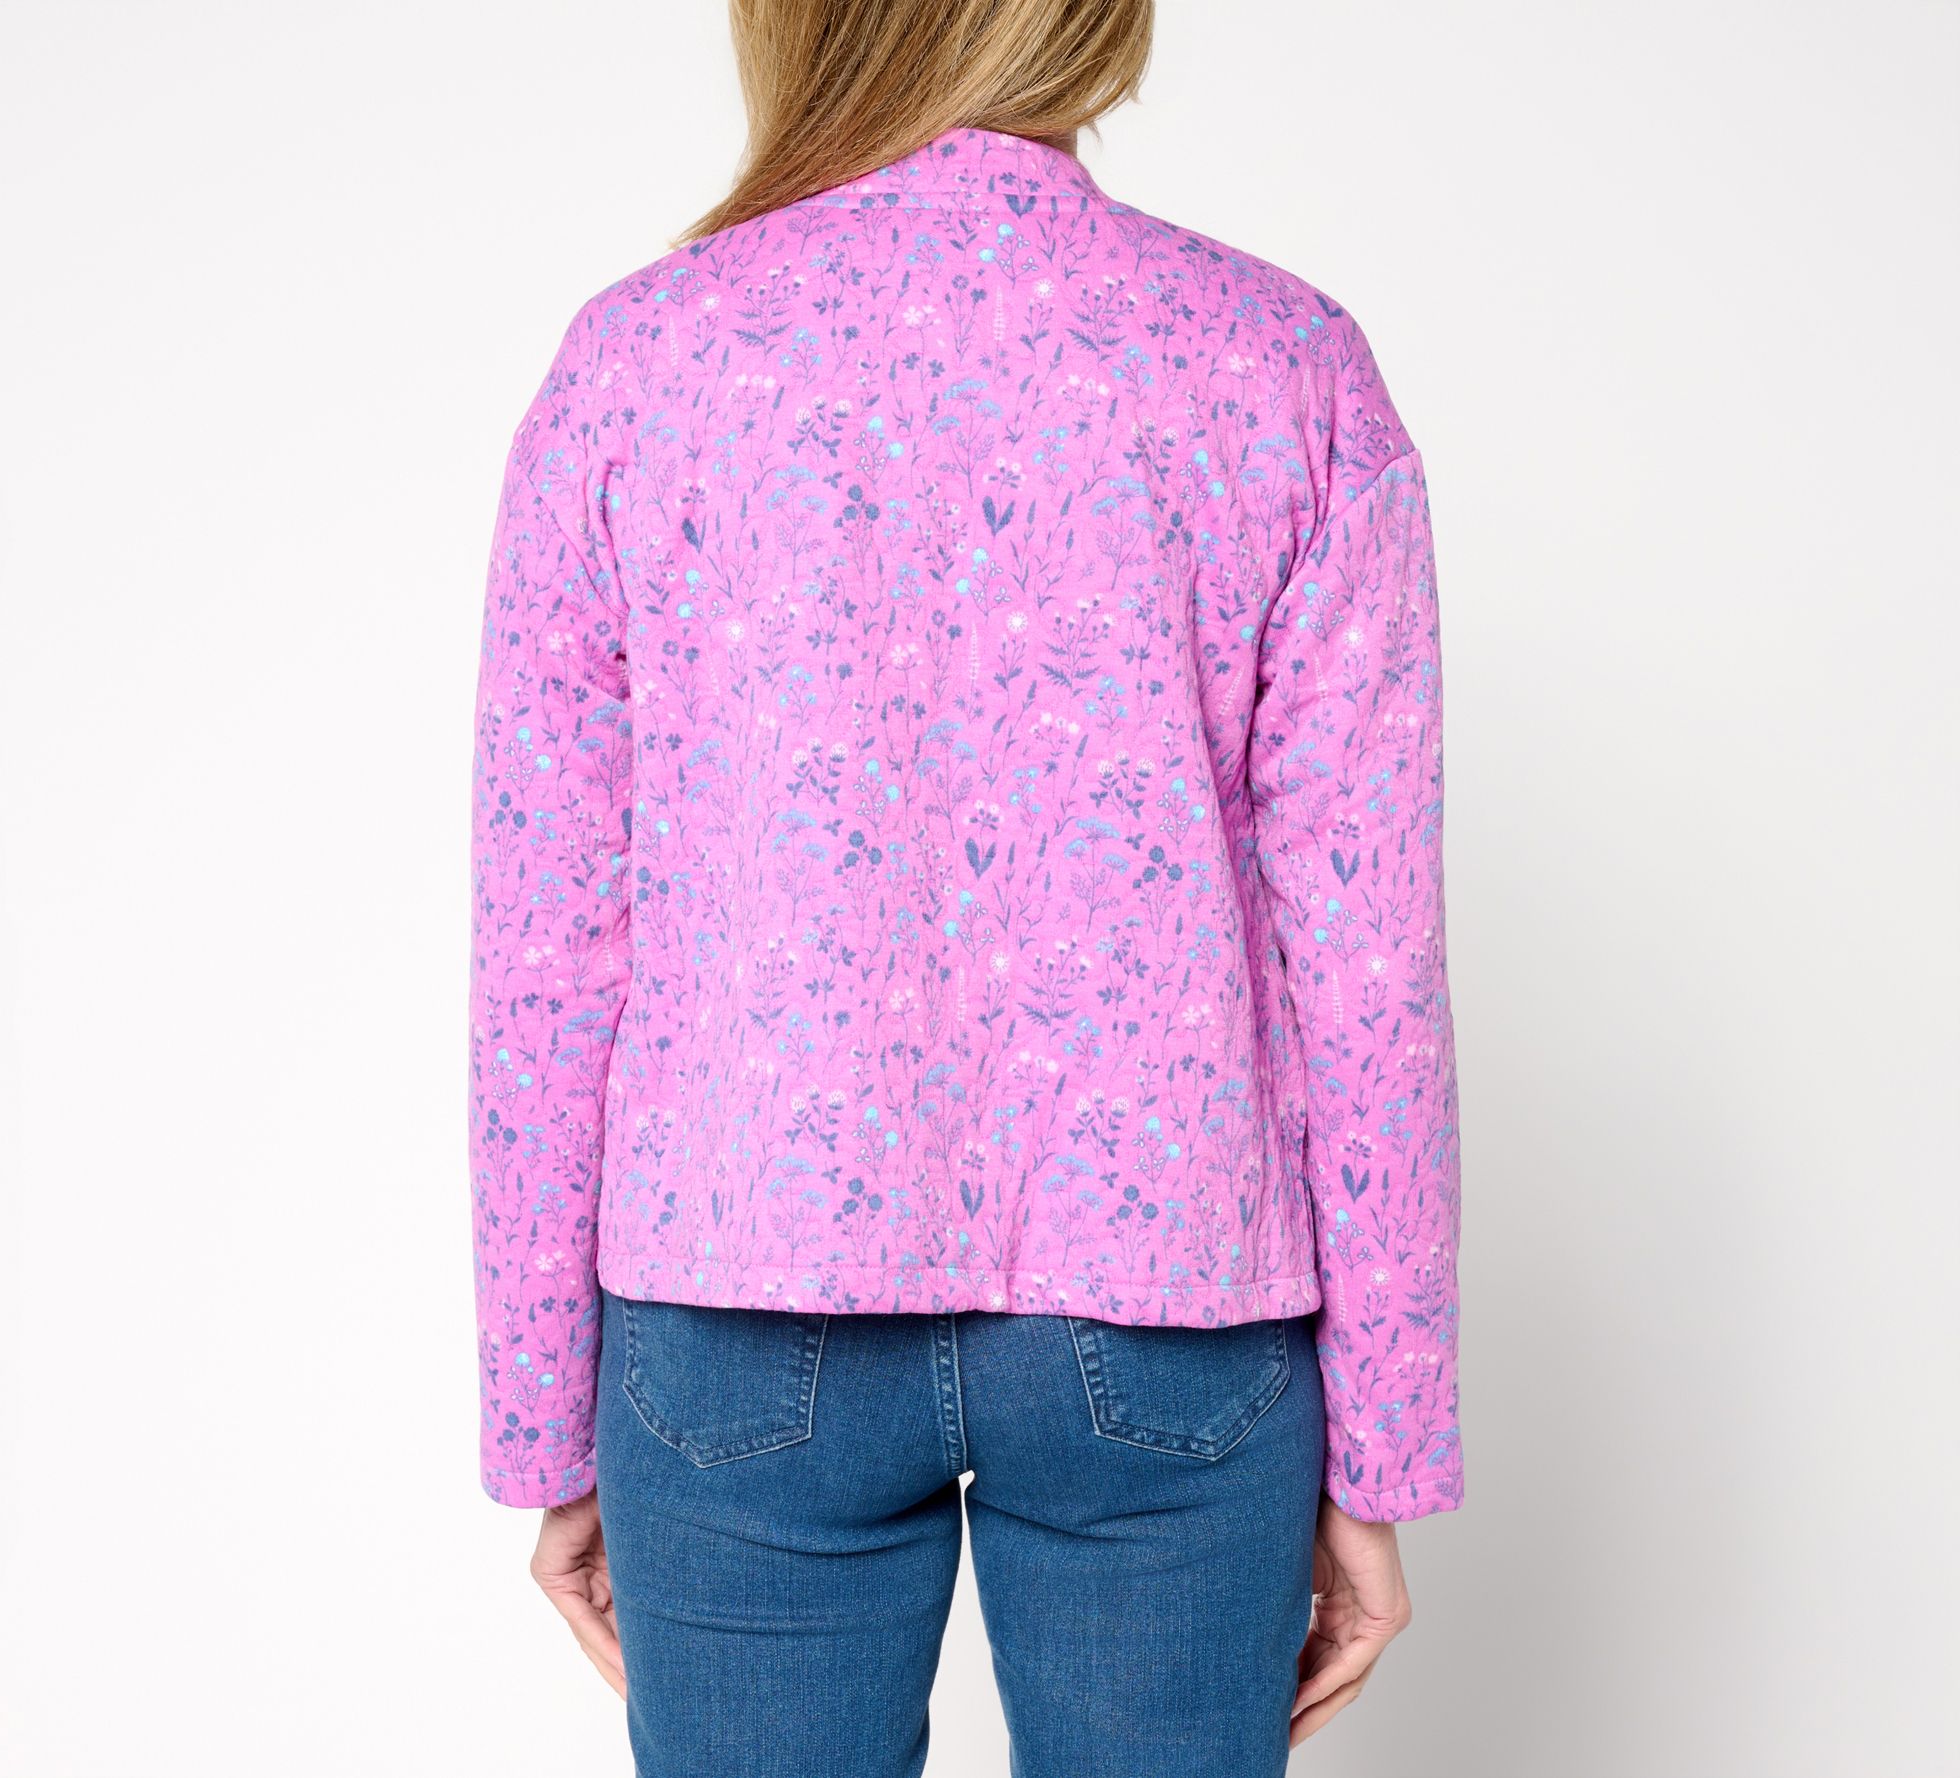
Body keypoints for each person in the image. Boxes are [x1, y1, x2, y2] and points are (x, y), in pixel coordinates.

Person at [466, 2, 1462, 1770]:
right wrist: (1381, 1447)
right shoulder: (1280, 361)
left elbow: (550, 941)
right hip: (1171, 1307)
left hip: (737, 1301)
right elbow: (1365, 959)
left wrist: (546, 1419)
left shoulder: (641, 363)